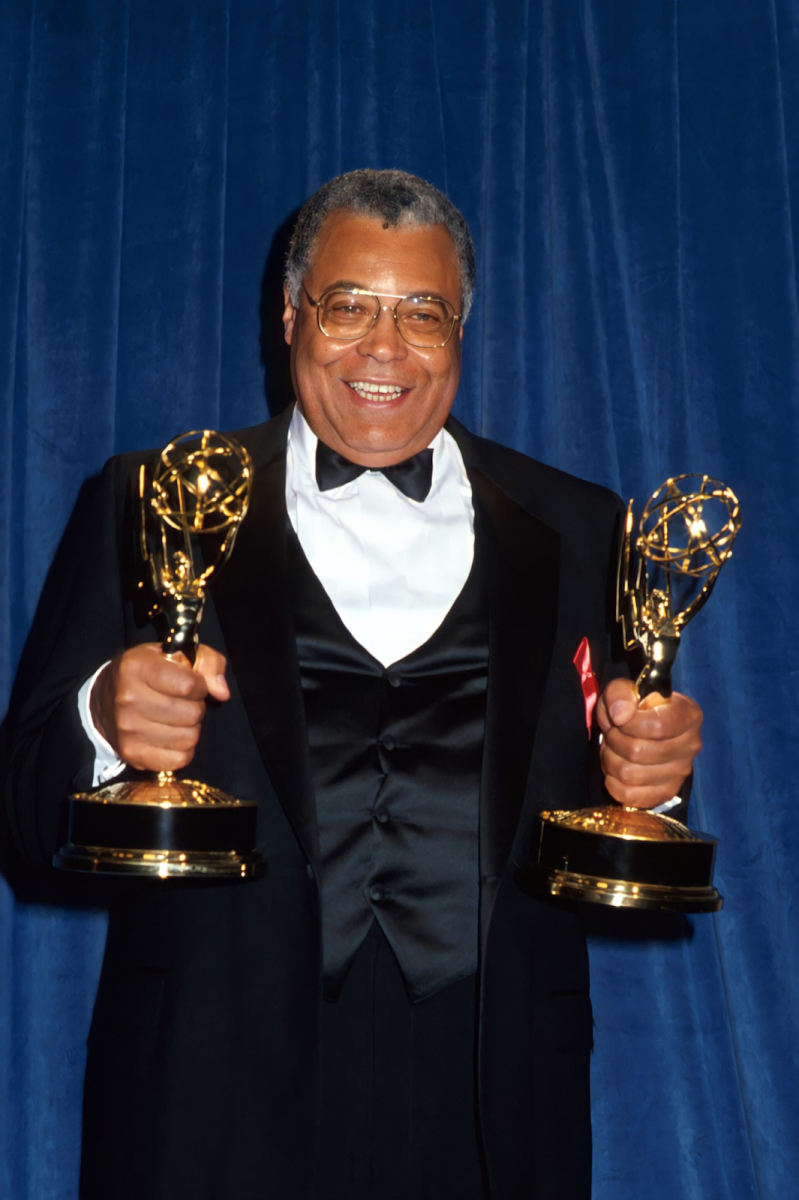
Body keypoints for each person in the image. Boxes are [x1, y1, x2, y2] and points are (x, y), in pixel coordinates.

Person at [6, 169, 702, 1200]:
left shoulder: (584, 527)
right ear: (290, 316)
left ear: (461, 329)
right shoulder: (149, 497)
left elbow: (625, 802)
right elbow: (19, 814)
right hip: (206, 1103)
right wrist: (103, 718)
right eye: (349, 307)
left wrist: (654, 778)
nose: (386, 349)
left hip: (491, 1108)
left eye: (423, 312)